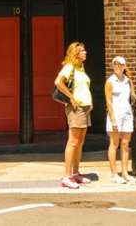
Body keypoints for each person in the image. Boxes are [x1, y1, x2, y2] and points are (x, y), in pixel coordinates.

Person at [55, 41, 92, 189]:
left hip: (84, 107)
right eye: (82, 50)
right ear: (75, 53)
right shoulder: (69, 66)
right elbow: (58, 82)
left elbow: (83, 87)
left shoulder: (81, 67)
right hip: (75, 108)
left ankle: (76, 173)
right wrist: (71, 97)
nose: (85, 52)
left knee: (80, 141)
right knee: (73, 141)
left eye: (84, 50)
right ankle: (67, 175)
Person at [104, 55, 136, 184]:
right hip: (116, 114)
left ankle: (125, 173)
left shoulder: (128, 81)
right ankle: (114, 174)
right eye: (115, 64)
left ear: (124, 66)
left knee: (125, 144)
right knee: (114, 144)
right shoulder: (110, 81)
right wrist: (113, 119)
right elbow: (109, 102)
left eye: (119, 64)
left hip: (127, 114)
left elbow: (134, 98)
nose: (117, 67)